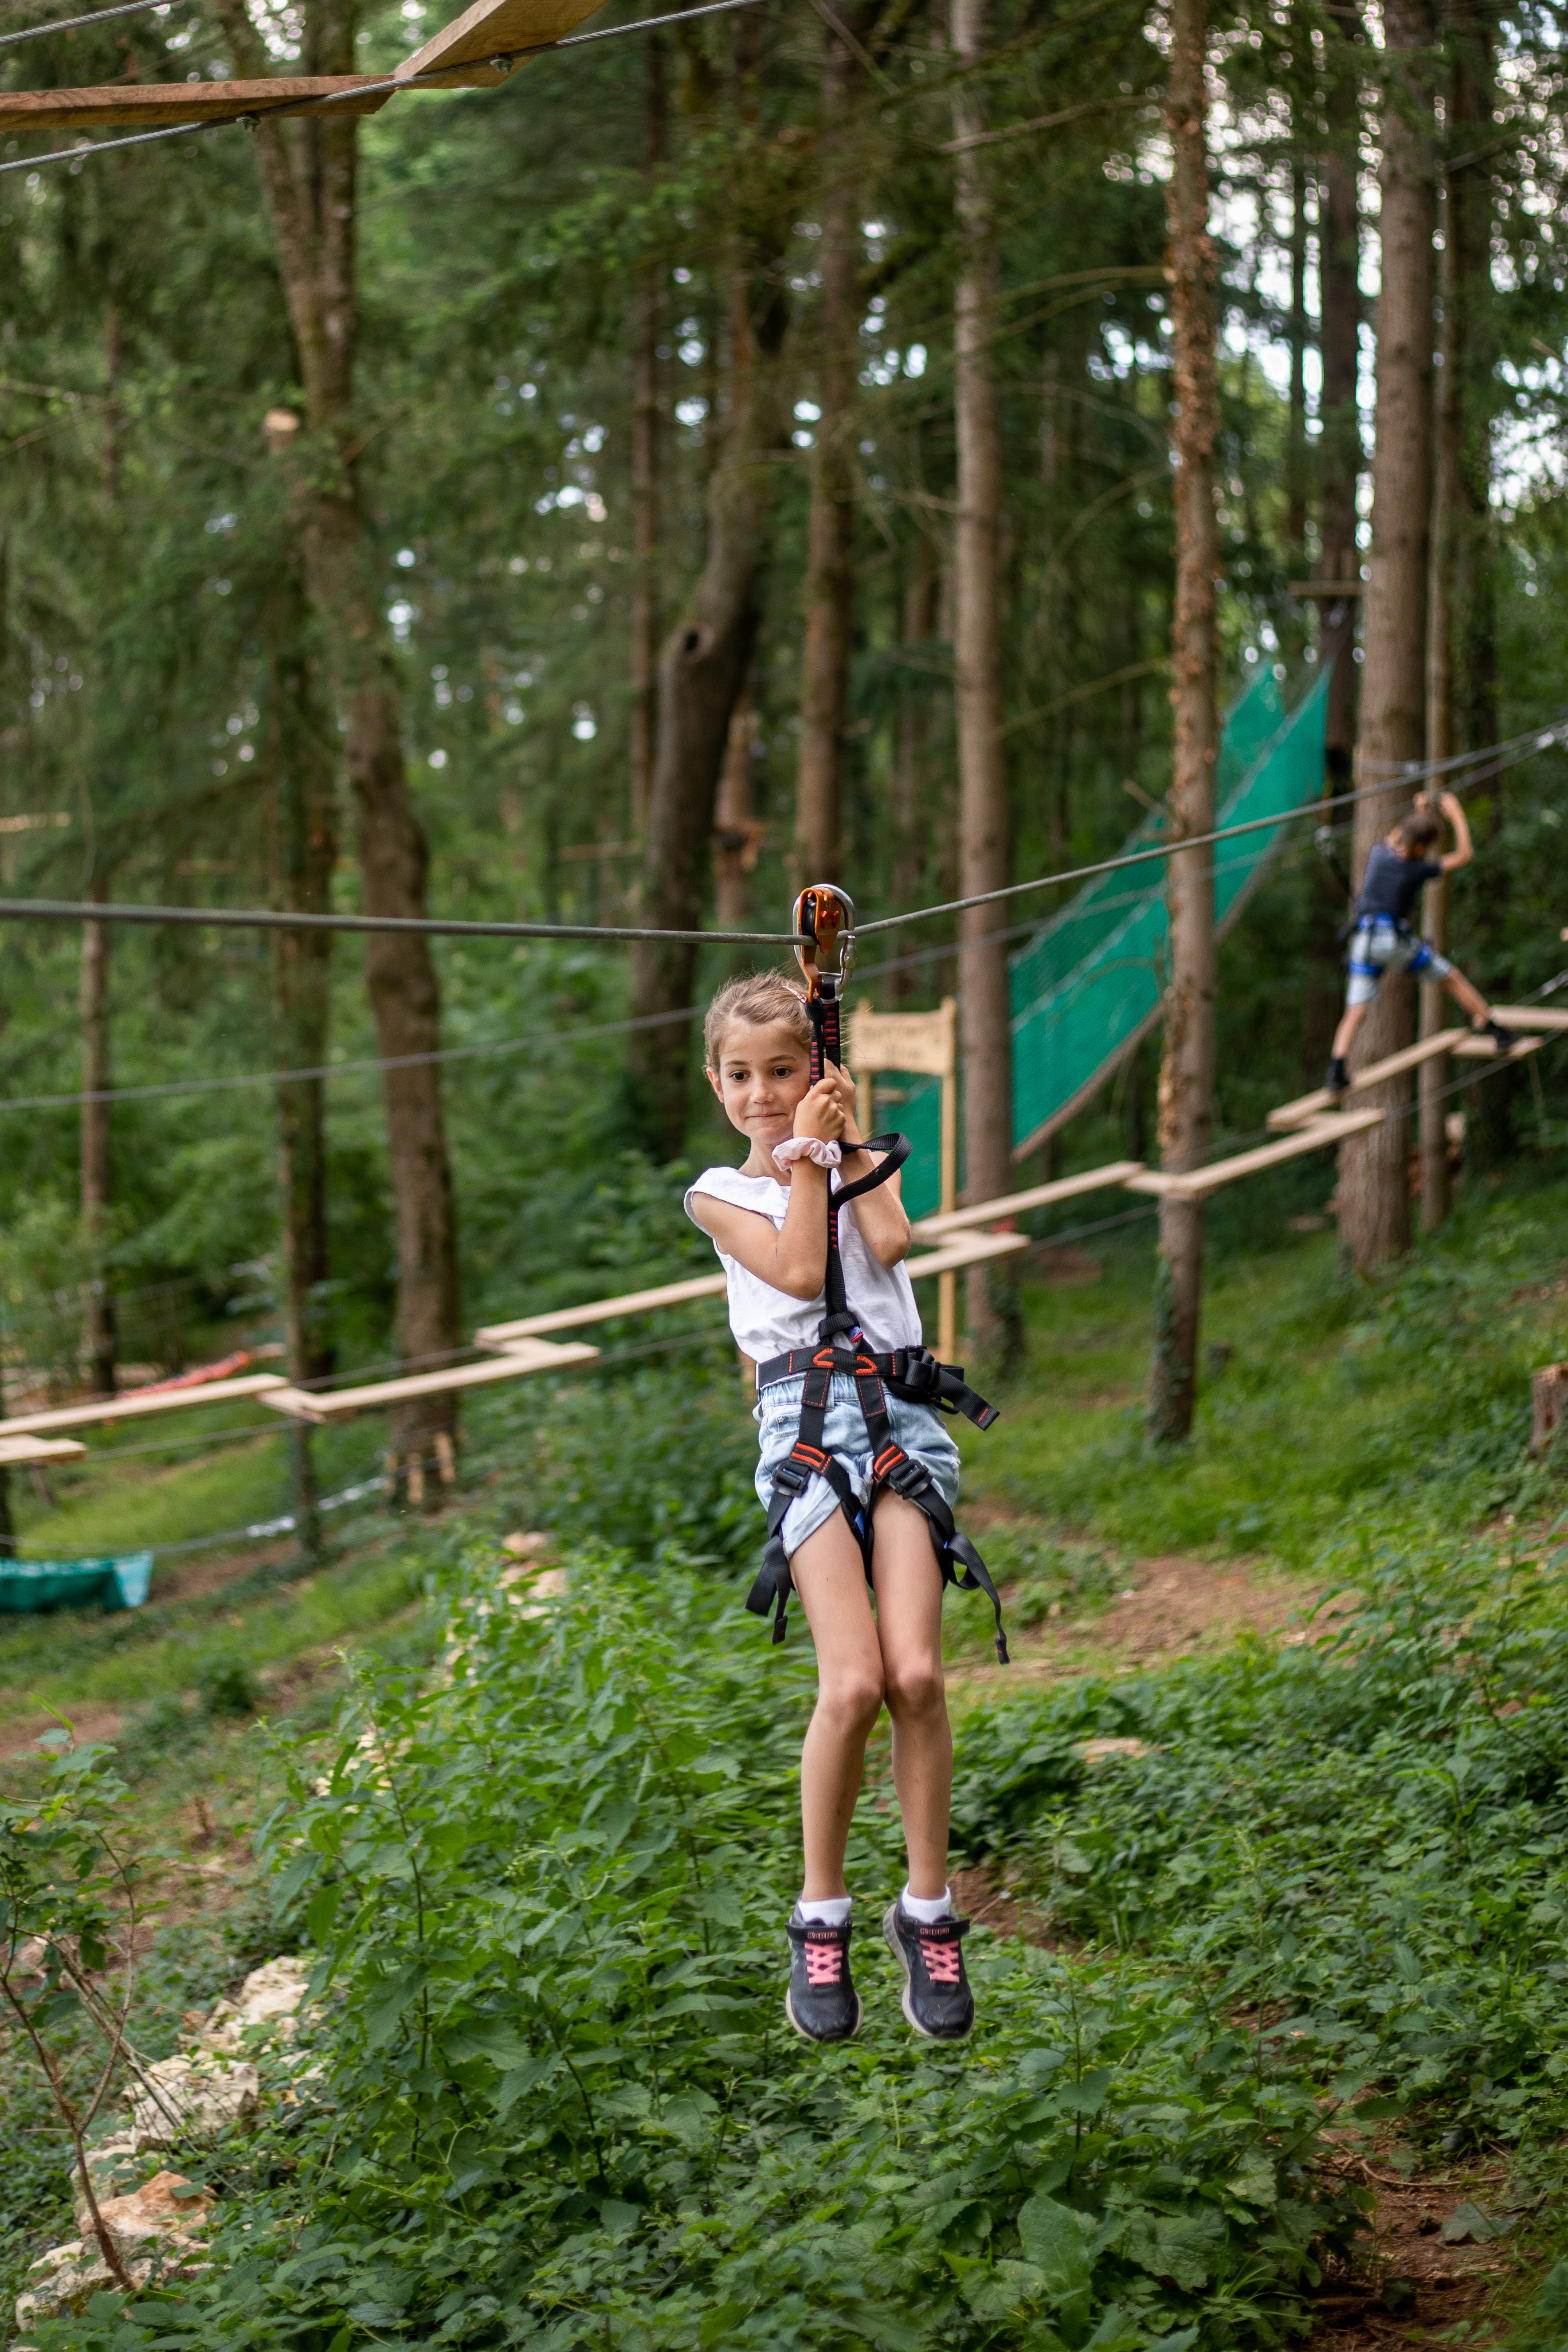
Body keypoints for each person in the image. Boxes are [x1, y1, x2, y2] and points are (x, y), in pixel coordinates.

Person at [685, 970, 976, 2048]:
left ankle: (929, 1908)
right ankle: (820, 1914)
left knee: (918, 1675)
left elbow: (890, 1245)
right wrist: (804, 1156)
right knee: (851, 1680)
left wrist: (847, 1147)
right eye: (742, 1076)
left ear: (817, 1072)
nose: (764, 1094)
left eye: (784, 1073)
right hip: (806, 1433)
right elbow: (804, 1272)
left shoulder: (850, 1163)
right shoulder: (721, 1193)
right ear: (717, 1086)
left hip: (900, 1422)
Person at [1326, 790, 1514, 1096]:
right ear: (1423, 849)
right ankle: (1496, 1029)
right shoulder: (1417, 869)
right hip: (1390, 941)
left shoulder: (1380, 853)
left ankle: (1336, 1071)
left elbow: (1399, 836)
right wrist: (1455, 814)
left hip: (1363, 939)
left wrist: (1420, 813)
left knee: (1355, 1011)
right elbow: (1464, 855)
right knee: (1451, 978)